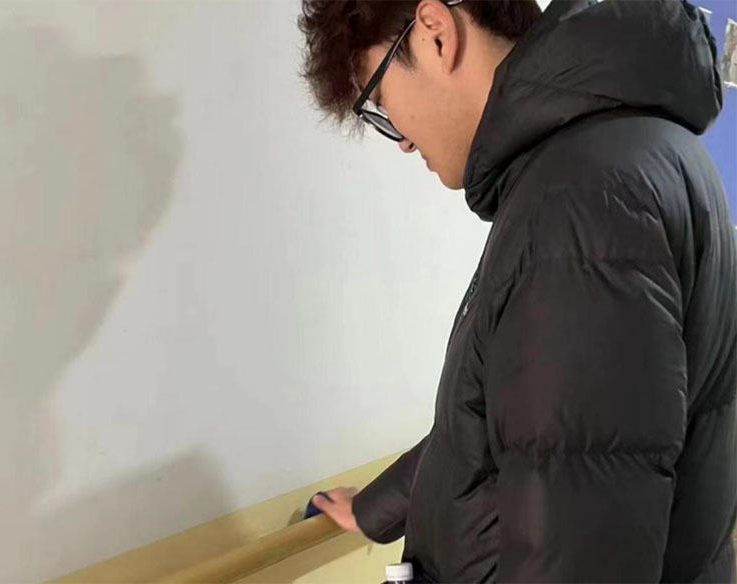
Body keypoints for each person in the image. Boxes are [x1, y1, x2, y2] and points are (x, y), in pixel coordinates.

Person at [299, 0, 737, 581]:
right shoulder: (624, 155)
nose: (399, 139)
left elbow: (579, 540)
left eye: (380, 101)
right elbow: (518, 429)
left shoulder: (580, 203)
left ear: (434, 34)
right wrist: (374, 508)